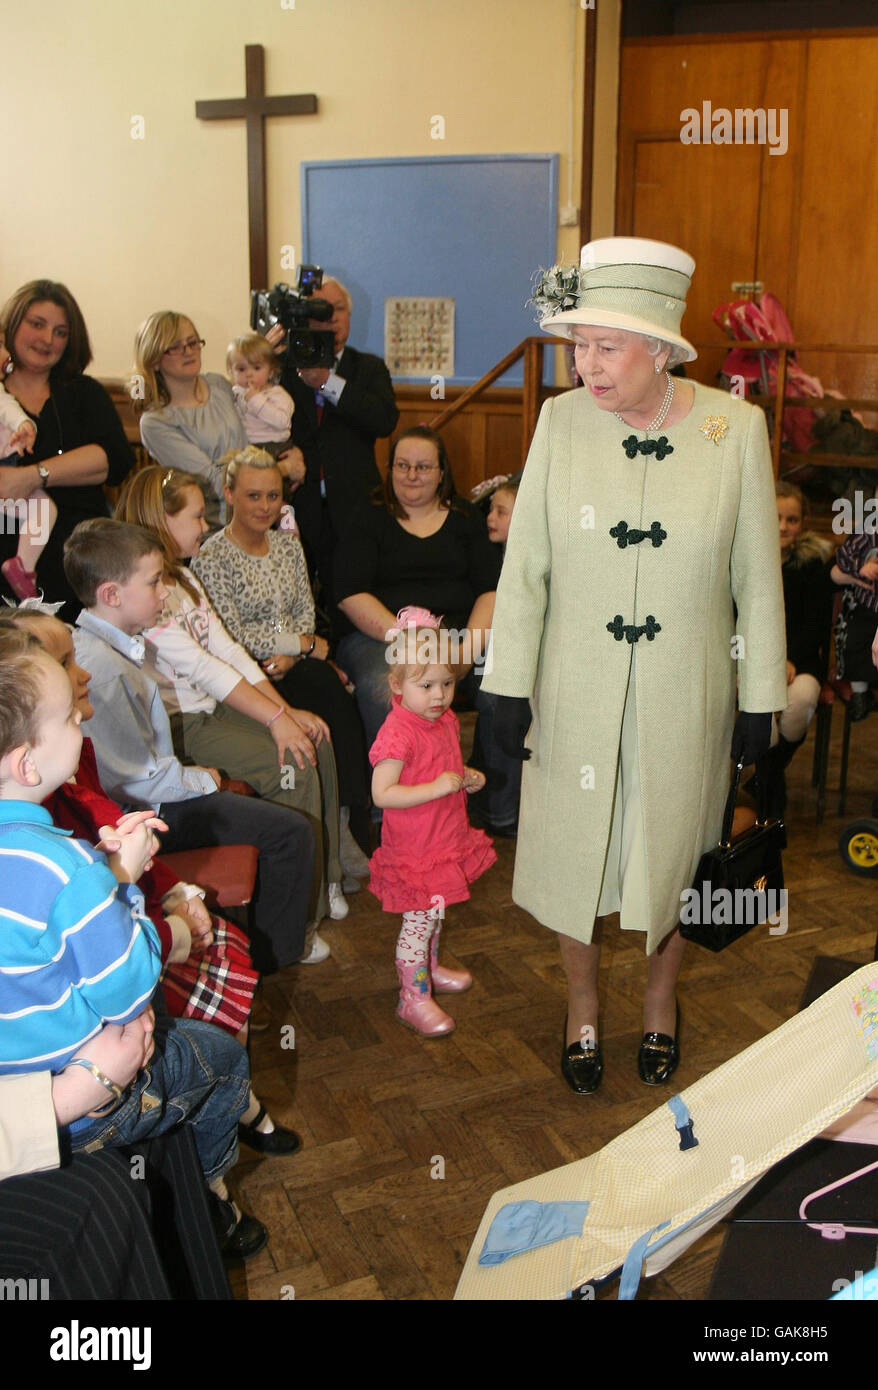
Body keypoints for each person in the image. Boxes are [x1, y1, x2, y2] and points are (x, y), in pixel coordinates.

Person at [483, 238, 787, 1094]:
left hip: (686, 696)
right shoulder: (559, 423)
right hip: (574, 692)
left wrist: (760, 695)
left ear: (660, 348)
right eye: (577, 345)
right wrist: (505, 681)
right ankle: (581, 1007)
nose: (585, 365)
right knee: (576, 855)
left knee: (679, 856)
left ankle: (660, 1001)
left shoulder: (736, 431)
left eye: (605, 346)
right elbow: (528, 565)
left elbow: (758, 583)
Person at [0, 603, 297, 1157]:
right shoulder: (65, 864)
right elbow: (127, 985)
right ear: (27, 762)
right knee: (217, 1056)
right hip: (91, 1097)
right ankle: (213, 1187)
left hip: (41, 1081)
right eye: (65, 713)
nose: (81, 684)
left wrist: (158, 887)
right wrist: (128, 884)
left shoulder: (48, 819)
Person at [62, 518, 316, 973]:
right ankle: (266, 971)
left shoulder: (111, 648)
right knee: (289, 834)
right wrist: (206, 779)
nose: (164, 592)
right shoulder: (107, 669)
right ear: (112, 595)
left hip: (150, 801)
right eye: (154, 581)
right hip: (145, 816)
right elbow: (137, 782)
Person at [115, 470, 348, 947]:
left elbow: (229, 651)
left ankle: (328, 877)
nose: (206, 525)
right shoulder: (147, 591)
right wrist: (278, 723)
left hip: (216, 707)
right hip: (184, 723)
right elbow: (203, 667)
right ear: (162, 518)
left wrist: (287, 712)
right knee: (293, 762)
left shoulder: (183, 578)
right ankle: (297, 922)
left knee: (315, 741)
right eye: (197, 516)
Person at [192, 445, 372, 875]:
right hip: (245, 674)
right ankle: (321, 845)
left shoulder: (289, 547)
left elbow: (306, 612)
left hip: (293, 663)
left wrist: (298, 651)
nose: (265, 506)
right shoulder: (212, 555)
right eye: (254, 496)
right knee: (314, 694)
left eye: (273, 496)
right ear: (229, 493)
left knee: (337, 706)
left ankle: (347, 826)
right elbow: (230, 635)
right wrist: (302, 644)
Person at [333, 425, 502, 770]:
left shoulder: (466, 518)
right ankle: (393, 804)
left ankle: (489, 801)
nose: (411, 475)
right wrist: (407, 639)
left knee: (503, 687)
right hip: (382, 637)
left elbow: (490, 591)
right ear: (390, 469)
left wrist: (466, 652)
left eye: (423, 467)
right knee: (388, 690)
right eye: (402, 465)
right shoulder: (367, 515)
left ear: (442, 472)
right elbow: (349, 592)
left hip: (460, 637)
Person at [369, 609, 496, 1036]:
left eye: (447, 683)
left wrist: (465, 779)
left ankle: (430, 966)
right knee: (418, 921)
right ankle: (412, 997)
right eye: (425, 686)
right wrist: (438, 788)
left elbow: (447, 767)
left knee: (435, 915)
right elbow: (382, 793)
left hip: (444, 838)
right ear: (397, 685)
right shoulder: (397, 732)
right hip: (415, 848)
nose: (438, 695)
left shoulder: (443, 720)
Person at [0, 280, 134, 616]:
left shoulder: (83, 393)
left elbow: (114, 459)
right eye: (37, 324)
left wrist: (33, 476)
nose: (48, 340)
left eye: (60, 332)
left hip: (78, 561)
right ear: (13, 324)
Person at [268, 276, 399, 602]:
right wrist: (262, 358)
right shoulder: (282, 368)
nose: (333, 319)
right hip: (296, 502)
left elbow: (384, 420)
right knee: (291, 593)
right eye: (322, 312)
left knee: (351, 592)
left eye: (339, 310)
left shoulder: (368, 367)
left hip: (355, 504)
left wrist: (327, 382)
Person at [135, 310, 307, 532]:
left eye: (192, 342)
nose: (188, 351)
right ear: (155, 359)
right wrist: (282, 468)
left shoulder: (218, 385)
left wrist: (294, 454)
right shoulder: (156, 422)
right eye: (176, 347)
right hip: (213, 531)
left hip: (259, 517)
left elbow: (261, 422)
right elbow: (211, 482)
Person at [750, 481, 833, 814]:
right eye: (777, 517)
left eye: (793, 520)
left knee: (799, 703)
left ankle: (766, 778)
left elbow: (816, 624)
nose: (783, 526)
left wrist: (790, 659)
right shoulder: (749, 557)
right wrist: (766, 660)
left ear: (804, 522)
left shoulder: (813, 566)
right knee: (762, 717)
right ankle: (770, 785)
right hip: (752, 658)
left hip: (800, 660)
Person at [468, 473, 523, 834]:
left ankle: (504, 807)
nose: (490, 517)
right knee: (493, 698)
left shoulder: (531, 558)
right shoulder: (485, 557)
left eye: (501, 512)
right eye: (491, 509)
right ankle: (495, 807)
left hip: (520, 648)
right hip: (487, 647)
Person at [0, 325, 55, 600]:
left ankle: (23, 569)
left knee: (44, 509)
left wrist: (24, 425)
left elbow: (10, 409)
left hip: (8, 476)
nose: (6, 353)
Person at [831, 481, 878, 721]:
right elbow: (843, 556)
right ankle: (860, 694)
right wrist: (861, 567)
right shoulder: (868, 531)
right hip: (868, 604)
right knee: (856, 644)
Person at [227, 332, 295, 460]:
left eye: (256, 368)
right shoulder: (235, 393)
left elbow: (283, 422)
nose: (249, 374)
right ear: (231, 371)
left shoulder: (278, 395)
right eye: (241, 369)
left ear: (270, 372)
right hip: (245, 447)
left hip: (274, 448)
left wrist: (256, 400)